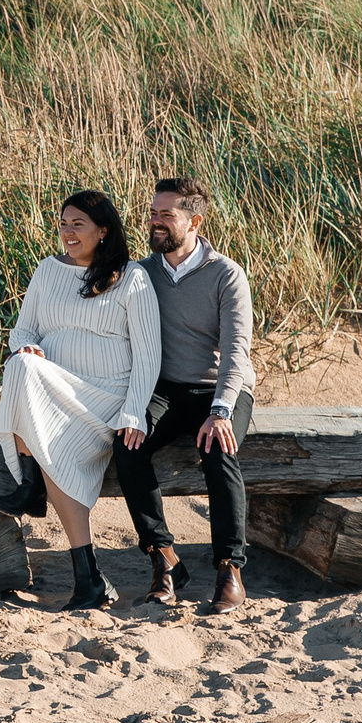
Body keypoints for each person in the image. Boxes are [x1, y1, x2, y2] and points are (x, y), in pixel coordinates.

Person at [0, 189, 162, 611]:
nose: (67, 232)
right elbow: (23, 331)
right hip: (53, 390)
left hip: (104, 397)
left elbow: (148, 353)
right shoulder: (47, 271)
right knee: (21, 363)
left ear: (103, 231)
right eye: (64, 223)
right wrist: (27, 347)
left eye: (78, 225)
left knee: (27, 383)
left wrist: (133, 410)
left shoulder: (131, 277)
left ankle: (31, 485)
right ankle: (88, 579)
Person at [111, 176, 256, 614]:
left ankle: (230, 567)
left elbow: (235, 352)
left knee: (218, 448)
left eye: (165, 215)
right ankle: (164, 559)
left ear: (194, 221)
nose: (154, 222)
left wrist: (220, 411)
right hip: (167, 389)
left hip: (222, 388)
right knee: (128, 443)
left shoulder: (226, 275)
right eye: (152, 213)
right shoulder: (141, 272)